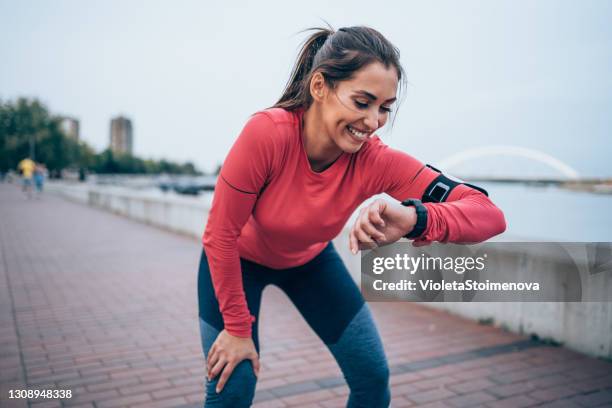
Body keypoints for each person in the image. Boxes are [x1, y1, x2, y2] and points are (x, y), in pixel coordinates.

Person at [198, 25, 506, 407]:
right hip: (236, 262)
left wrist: (415, 218)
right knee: (235, 384)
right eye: (362, 102)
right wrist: (237, 328)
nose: (374, 121)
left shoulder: (376, 161)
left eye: (385, 108)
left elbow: (488, 214)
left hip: (309, 263)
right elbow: (220, 234)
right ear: (319, 87)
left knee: (373, 380)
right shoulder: (268, 133)